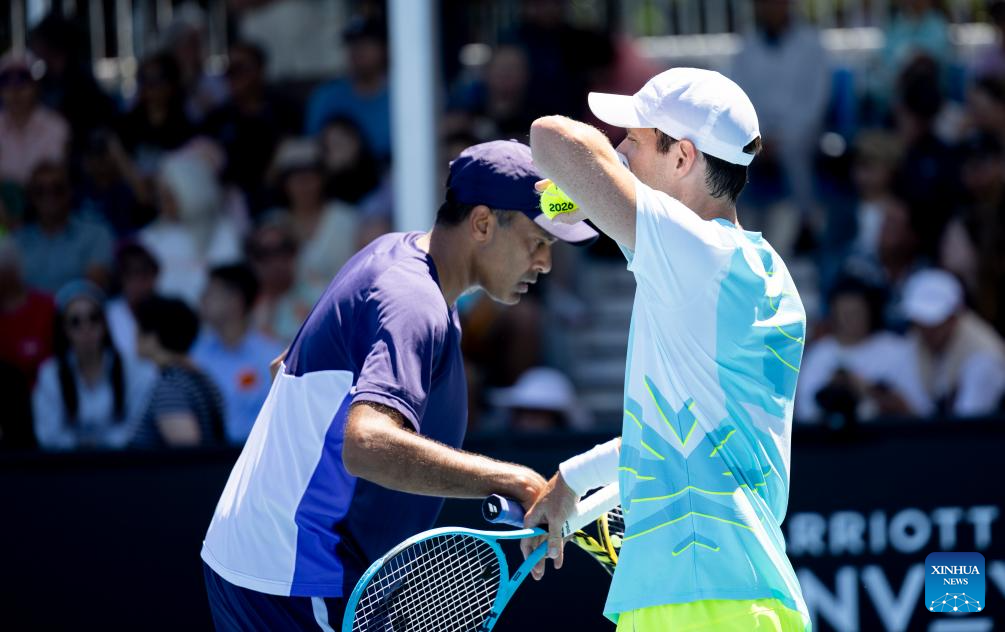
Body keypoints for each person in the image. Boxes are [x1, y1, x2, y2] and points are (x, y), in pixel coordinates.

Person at [200, 140, 597, 629]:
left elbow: (285, 366)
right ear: (481, 224)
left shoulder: (393, 255)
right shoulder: (413, 300)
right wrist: (514, 481)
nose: (545, 263)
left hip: (268, 564)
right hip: (299, 580)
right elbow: (367, 444)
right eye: (537, 241)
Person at [524, 68, 810, 630]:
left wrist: (598, 180)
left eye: (634, 139)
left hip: (705, 603)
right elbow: (676, 427)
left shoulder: (695, 253)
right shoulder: (762, 272)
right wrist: (572, 479)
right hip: (717, 599)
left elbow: (550, 138)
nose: (624, 151)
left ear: (682, 157)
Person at [33, 281, 156, 450]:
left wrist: (98, 448)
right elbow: (48, 434)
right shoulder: (50, 374)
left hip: (122, 462)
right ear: (64, 330)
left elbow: (137, 428)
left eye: (94, 318)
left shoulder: (136, 370)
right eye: (75, 322)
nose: (86, 328)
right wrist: (85, 448)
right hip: (67, 464)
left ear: (105, 323)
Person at [795, 276, 931, 423]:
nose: (851, 320)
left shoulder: (897, 349)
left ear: (870, 311)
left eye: (856, 312)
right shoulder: (819, 354)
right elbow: (806, 414)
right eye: (844, 313)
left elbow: (920, 411)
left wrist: (870, 390)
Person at [192, 264, 285, 444]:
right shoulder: (196, 354)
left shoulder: (271, 356)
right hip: (206, 456)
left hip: (256, 454)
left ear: (235, 301)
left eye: (210, 293)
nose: (201, 299)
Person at [902, 268, 1005, 416]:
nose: (927, 331)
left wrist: (908, 412)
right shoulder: (917, 340)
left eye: (935, 322)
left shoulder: (985, 358)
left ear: (954, 318)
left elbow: (968, 423)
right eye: (921, 322)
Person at [132, 296, 226, 448]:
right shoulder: (202, 378)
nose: (134, 334)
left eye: (140, 328)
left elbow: (186, 453)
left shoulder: (171, 386)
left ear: (153, 337)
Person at [14, 162, 114, 293]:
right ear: (31, 197)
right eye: (40, 191)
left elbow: (93, 288)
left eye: (57, 189)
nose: (49, 196)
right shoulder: (17, 241)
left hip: (76, 306)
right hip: (29, 307)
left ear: (69, 192)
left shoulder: (96, 234)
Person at [305, 16, 391, 162]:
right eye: (352, 45)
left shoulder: (405, 94)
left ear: (386, 49)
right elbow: (311, 149)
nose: (357, 52)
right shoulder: (326, 96)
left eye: (366, 44)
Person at [0, 52, 70, 186]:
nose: (15, 90)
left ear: (36, 86)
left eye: (22, 79)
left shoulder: (56, 126)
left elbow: (52, 180)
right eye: (6, 81)